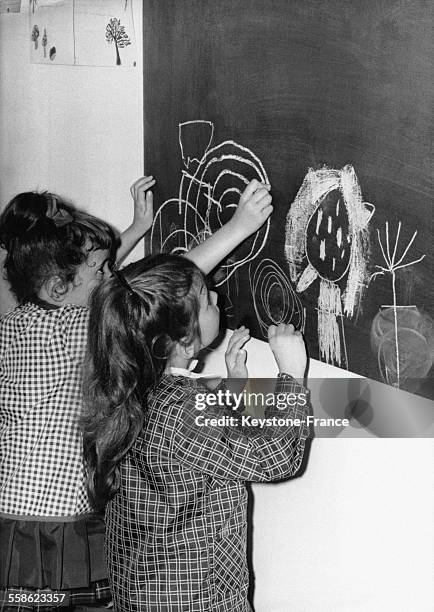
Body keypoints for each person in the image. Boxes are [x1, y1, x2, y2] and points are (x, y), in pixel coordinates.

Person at [0, 177, 272, 611]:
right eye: (104, 270)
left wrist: (137, 228)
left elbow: (94, 281)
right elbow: (152, 291)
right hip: (62, 524)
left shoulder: (14, 323)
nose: (115, 277)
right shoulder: (80, 329)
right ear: (59, 286)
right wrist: (239, 226)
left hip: (12, 521)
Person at [82, 253, 311, 612]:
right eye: (206, 298)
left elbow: (206, 456)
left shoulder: (129, 388)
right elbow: (277, 459)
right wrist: (291, 375)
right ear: (185, 340)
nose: (217, 296)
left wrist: (238, 390)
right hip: (196, 596)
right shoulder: (186, 407)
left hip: (142, 587)